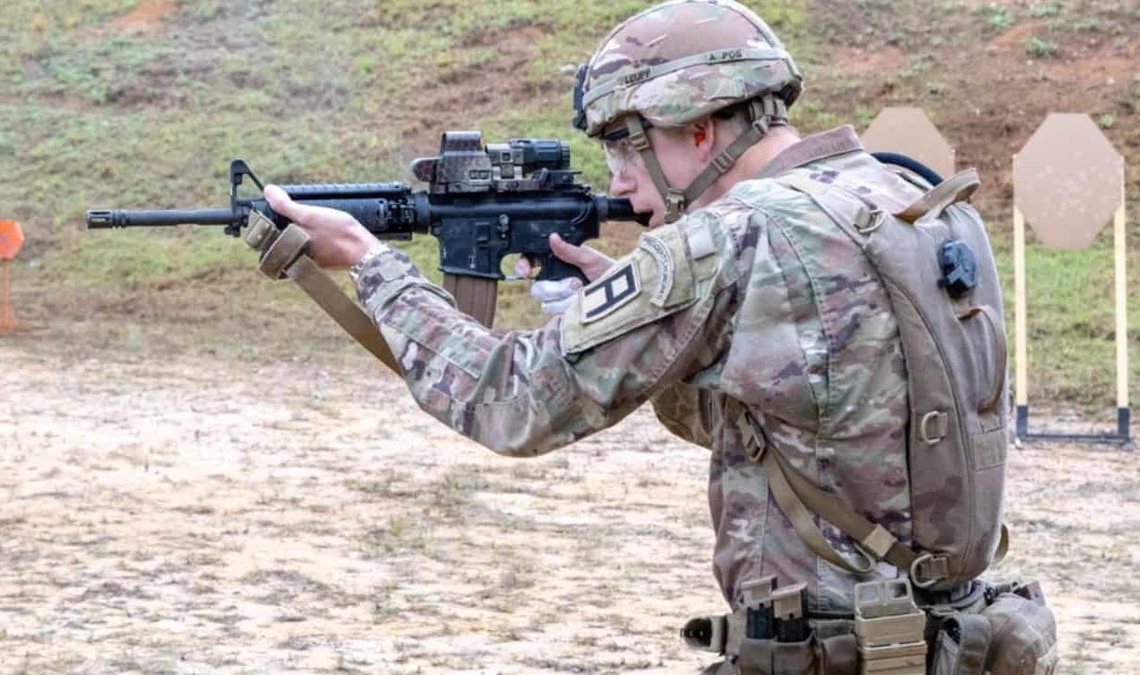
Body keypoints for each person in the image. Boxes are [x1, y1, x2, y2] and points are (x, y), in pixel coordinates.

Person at [262, 1, 1009, 672]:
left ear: (699, 128)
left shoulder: (732, 235)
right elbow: (808, 418)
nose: (617, 179)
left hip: (830, 652)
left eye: (626, 144)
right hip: (953, 642)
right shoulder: (916, 199)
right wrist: (638, 323)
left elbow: (513, 401)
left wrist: (371, 264)